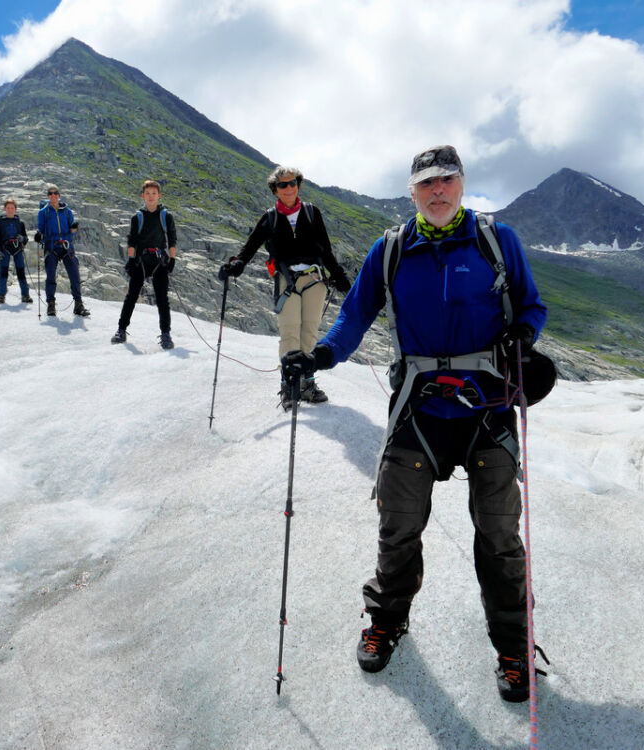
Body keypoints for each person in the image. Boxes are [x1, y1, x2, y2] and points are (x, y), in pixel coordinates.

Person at [281, 145, 548, 702]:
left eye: (447, 179)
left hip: (487, 407)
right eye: (426, 183)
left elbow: (531, 306)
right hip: (419, 408)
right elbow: (355, 315)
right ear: (412, 193)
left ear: (463, 182)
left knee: (499, 538)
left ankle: (513, 648)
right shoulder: (393, 248)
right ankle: (387, 620)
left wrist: (524, 337)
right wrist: (323, 356)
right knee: (397, 527)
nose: (438, 190)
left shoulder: (498, 242)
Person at [218, 166, 351, 408]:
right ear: (275, 190)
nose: (288, 188)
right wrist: (237, 264)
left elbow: (326, 249)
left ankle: (306, 382)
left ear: (298, 185)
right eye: (283, 185)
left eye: (292, 183)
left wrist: (340, 276)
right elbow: (250, 246)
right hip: (286, 280)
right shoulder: (269, 217)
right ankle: (290, 385)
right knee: (290, 331)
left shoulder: (312, 212)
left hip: (315, 279)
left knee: (309, 332)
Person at [112, 180, 178, 349]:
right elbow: (132, 241)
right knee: (132, 296)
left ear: (159, 195)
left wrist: (172, 260)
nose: (150, 197)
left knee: (162, 299)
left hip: (159, 261)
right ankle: (121, 329)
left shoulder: (166, 216)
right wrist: (131, 260)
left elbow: (172, 239)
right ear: (143, 195)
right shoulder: (138, 217)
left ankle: (166, 334)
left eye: (153, 193)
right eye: (147, 193)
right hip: (141, 261)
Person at [37, 184, 89, 317]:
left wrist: (73, 229)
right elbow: (41, 230)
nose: (53, 195)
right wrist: (39, 236)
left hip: (66, 246)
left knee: (74, 275)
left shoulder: (67, 211)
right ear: (48, 196)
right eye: (50, 194)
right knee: (50, 276)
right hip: (52, 247)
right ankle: (51, 305)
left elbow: (71, 230)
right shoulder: (43, 212)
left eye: (55, 193)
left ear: (59, 195)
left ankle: (78, 304)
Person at [0, 199, 32, 305]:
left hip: (17, 249)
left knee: (21, 273)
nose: (10, 210)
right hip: (5, 249)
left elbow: (26, 238)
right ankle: (1, 296)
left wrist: (22, 239)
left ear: (15, 209)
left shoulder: (20, 223)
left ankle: (25, 295)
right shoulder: (0, 223)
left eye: (12, 208)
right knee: (3, 273)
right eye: (8, 208)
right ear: (5, 209)